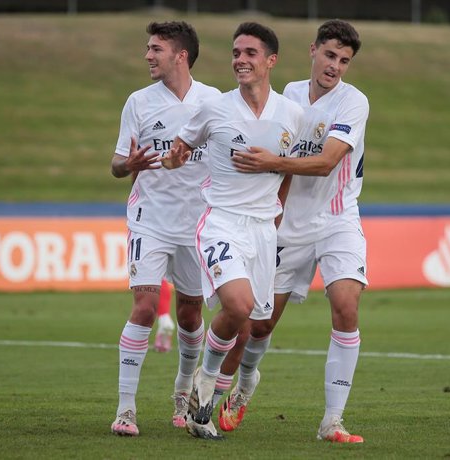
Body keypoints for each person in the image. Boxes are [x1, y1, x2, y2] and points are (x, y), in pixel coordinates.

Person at [220, 19, 369, 444]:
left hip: (339, 218)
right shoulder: (287, 96)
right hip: (290, 224)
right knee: (261, 325)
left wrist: (271, 163)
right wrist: (274, 211)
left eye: (344, 60)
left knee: (346, 305)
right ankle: (246, 384)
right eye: (330, 55)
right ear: (313, 51)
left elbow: (325, 163)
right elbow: (283, 157)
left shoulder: (354, 103)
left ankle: (332, 422)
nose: (335, 66)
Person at [162, 22, 305, 440]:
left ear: (271, 61)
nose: (240, 60)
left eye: (250, 53)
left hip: (263, 229)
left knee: (248, 328)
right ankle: (203, 384)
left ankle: (206, 405)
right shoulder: (215, 108)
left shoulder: (292, 116)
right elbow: (180, 152)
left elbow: (290, 169)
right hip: (221, 220)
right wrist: (172, 160)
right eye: (236, 53)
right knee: (239, 306)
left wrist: (277, 212)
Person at [109, 20, 221, 437]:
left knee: (191, 314)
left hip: (197, 224)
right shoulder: (138, 102)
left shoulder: (214, 102)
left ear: (181, 55)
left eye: (156, 49)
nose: (148, 56)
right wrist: (130, 165)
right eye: (148, 48)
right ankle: (125, 410)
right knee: (143, 306)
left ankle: (182, 392)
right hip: (149, 218)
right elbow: (117, 164)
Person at [154, 279, 175, 352]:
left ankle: (160, 343)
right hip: (159, 285)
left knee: (167, 324)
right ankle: (161, 342)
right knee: (168, 325)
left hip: (164, 285)